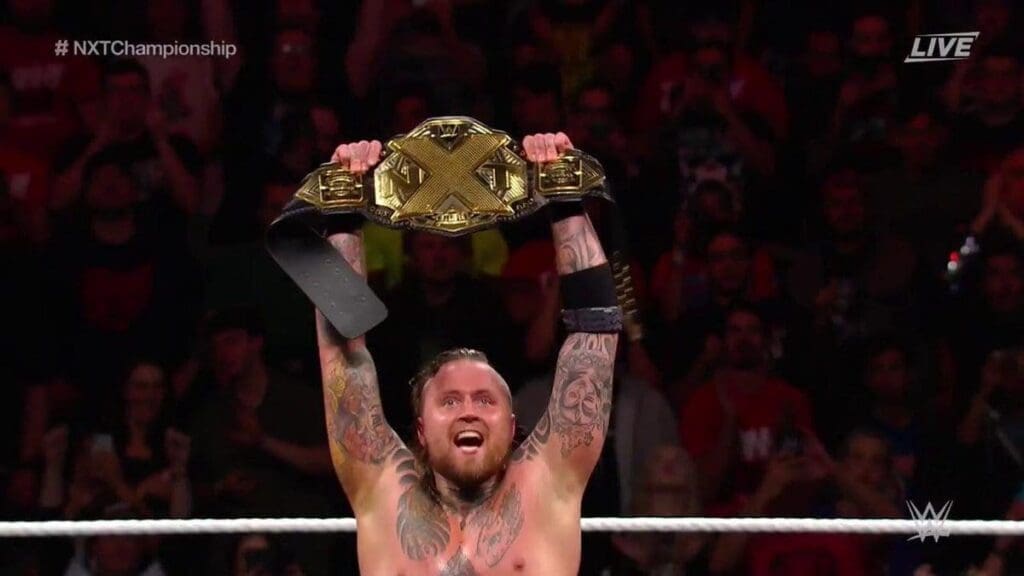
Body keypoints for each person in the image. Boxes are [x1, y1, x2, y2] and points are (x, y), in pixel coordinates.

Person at [317, 132, 620, 574]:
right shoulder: (382, 491)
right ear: (421, 430)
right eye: (449, 401)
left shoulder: (548, 485)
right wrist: (342, 208)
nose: (469, 412)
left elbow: (594, 336)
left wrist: (566, 198)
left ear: (512, 426)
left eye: (484, 400)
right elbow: (341, 354)